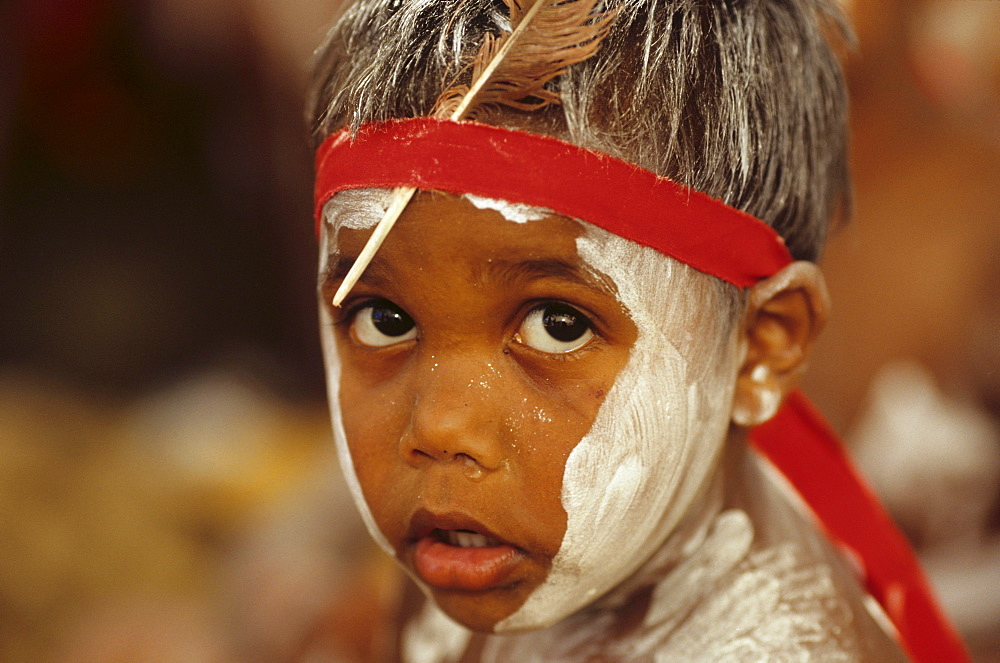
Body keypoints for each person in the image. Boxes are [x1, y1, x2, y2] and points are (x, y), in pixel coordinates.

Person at [306, 0, 967, 660]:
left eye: (558, 325)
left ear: (761, 346)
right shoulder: (463, 567)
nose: (439, 426)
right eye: (383, 318)